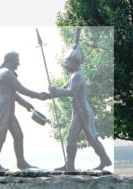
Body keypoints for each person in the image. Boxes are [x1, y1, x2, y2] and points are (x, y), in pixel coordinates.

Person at [49, 28, 112, 172]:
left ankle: (101, 160)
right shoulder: (72, 76)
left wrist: (57, 91)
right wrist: (50, 93)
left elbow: (70, 92)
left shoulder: (77, 76)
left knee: (89, 137)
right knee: (75, 137)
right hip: (78, 110)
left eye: (67, 61)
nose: (65, 64)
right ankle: (70, 165)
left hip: (82, 110)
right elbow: (63, 89)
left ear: (74, 62)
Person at [0, 51, 50, 172]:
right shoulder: (6, 74)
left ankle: (21, 162)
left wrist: (26, 104)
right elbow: (21, 89)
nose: (19, 63)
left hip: (9, 111)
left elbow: (14, 94)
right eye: (17, 60)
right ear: (10, 60)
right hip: (4, 111)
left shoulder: (7, 73)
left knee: (18, 135)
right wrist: (39, 96)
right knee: (0, 137)